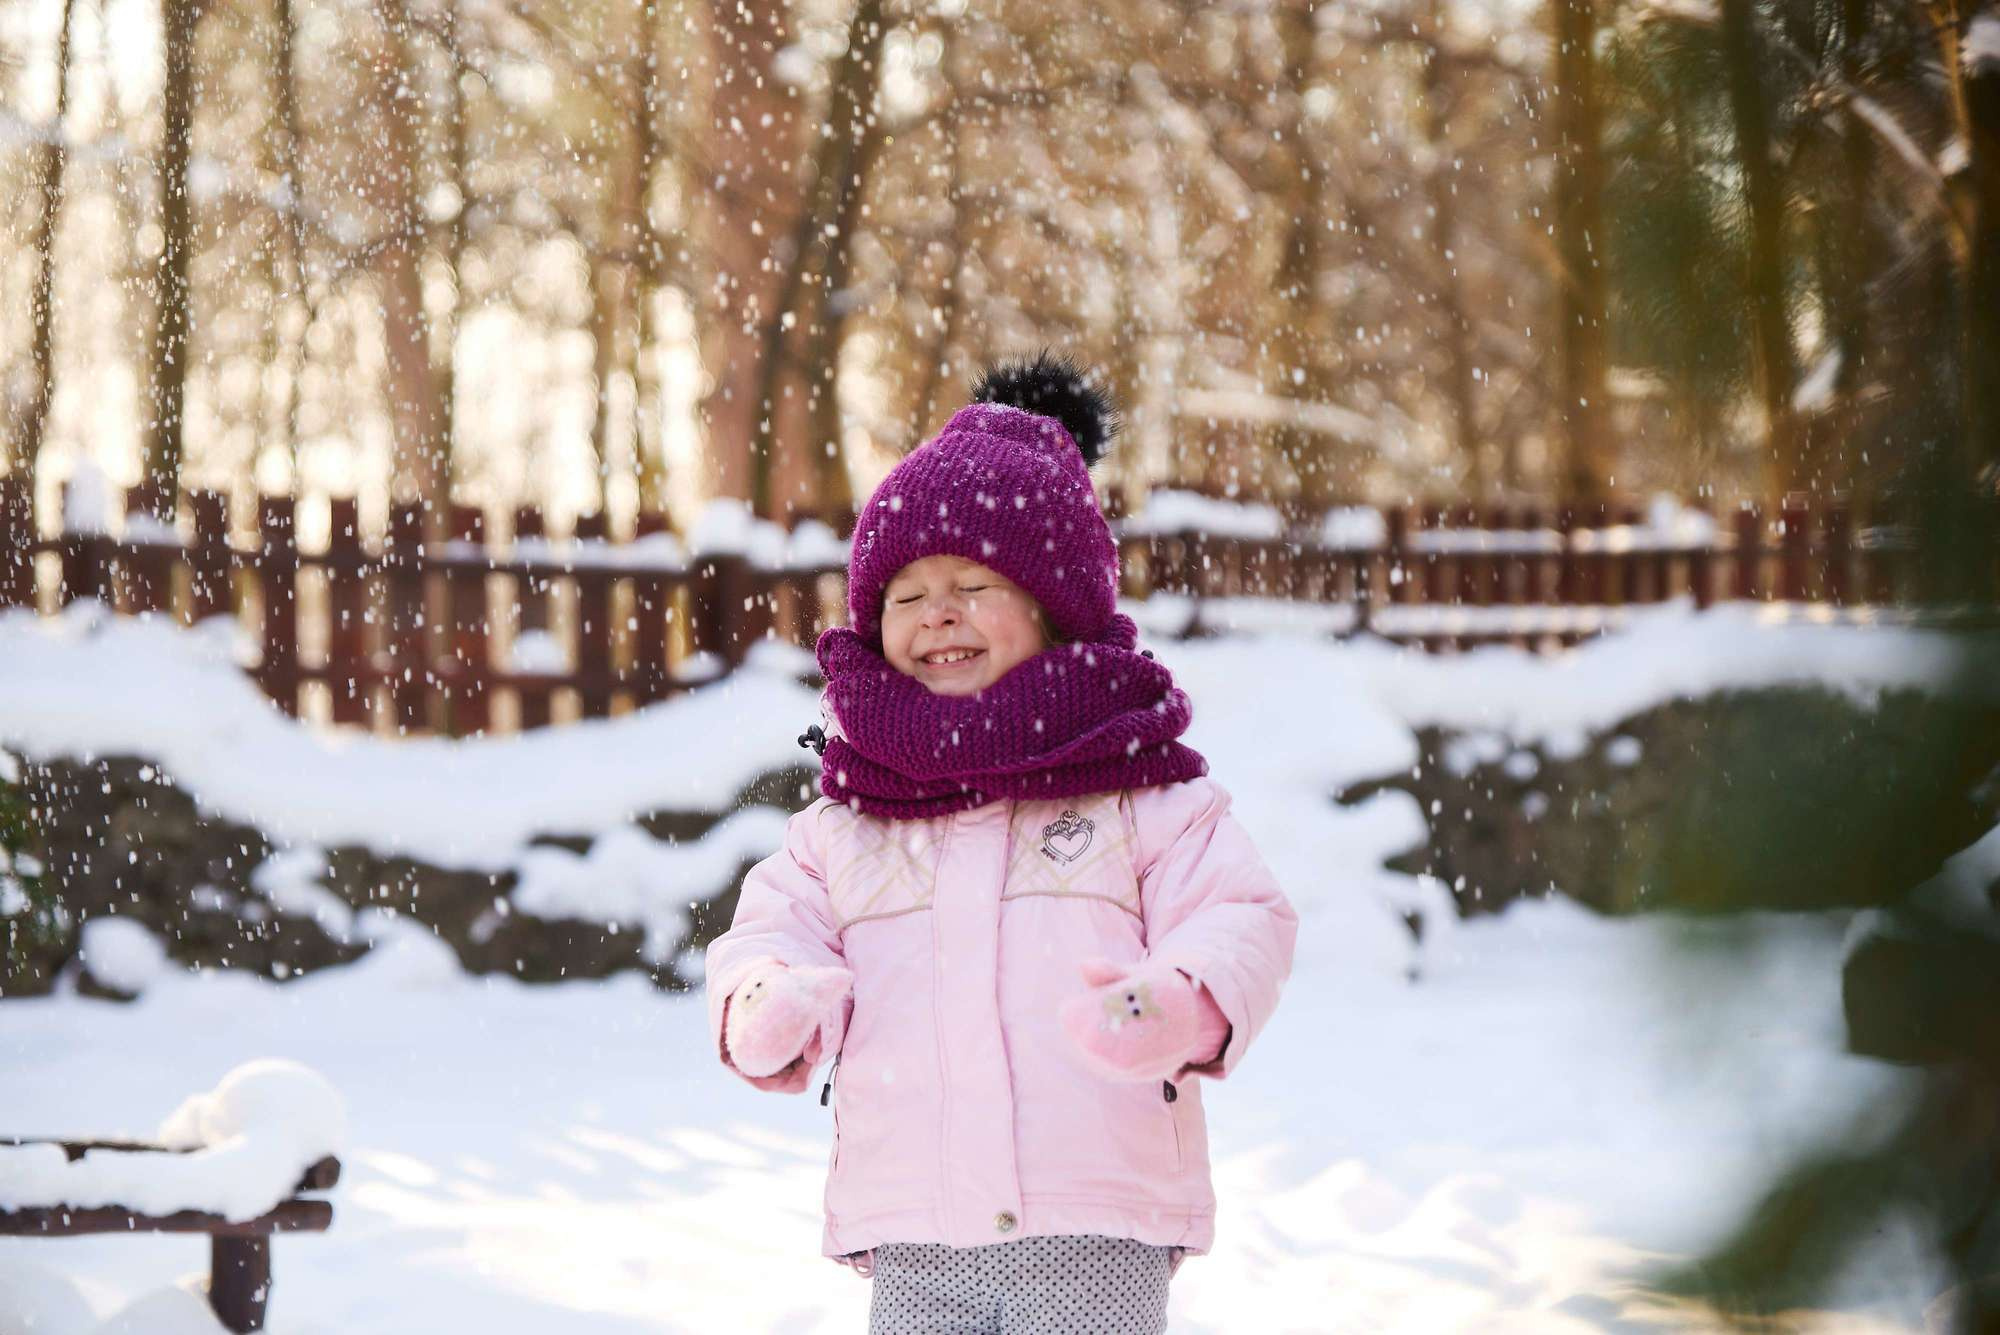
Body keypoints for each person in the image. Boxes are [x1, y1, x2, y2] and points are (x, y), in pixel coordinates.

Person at [704, 351, 1298, 1334]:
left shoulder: (1136, 792)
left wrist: (1181, 1001)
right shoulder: (849, 819)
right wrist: (765, 996)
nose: (937, 612)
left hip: (1092, 1218)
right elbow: (771, 925)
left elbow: (1239, 912)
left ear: (1053, 612)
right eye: (906, 595)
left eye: (974, 583)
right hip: (913, 1226)